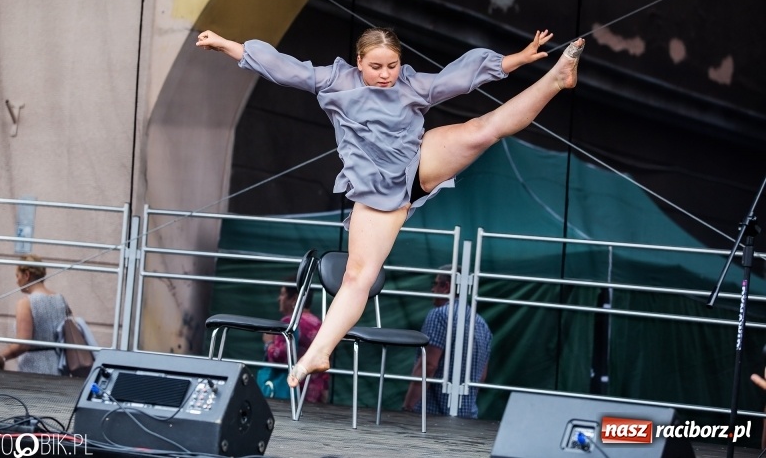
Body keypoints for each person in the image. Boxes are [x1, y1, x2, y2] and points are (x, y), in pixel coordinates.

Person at [196, 26, 584, 388]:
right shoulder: (334, 80)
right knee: (357, 278)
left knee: (484, 129)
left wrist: (518, 58)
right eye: (376, 67)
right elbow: (284, 68)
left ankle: (556, 78)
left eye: (392, 66)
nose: (385, 75)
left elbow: (462, 77)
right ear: (358, 62)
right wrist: (229, 46)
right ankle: (317, 353)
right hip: (376, 194)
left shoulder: (412, 85)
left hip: (419, 164)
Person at [402, 267, 491, 418]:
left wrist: (408, 407)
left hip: (431, 414)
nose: (432, 289)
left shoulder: (439, 315)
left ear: (446, 287)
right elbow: (481, 376)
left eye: (435, 283)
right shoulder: (482, 324)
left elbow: (428, 365)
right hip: (468, 417)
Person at [0, 254, 69, 375]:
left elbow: (22, 344)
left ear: (27, 275)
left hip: (33, 368)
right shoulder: (60, 299)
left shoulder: (26, 303)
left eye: (17, 276)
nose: (16, 281)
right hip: (59, 366)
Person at [262, 285, 329, 403]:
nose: (279, 299)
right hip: (314, 392)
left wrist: (269, 343)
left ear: (294, 299)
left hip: (292, 390)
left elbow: (279, 356)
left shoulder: (289, 323)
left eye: (282, 294)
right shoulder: (319, 324)